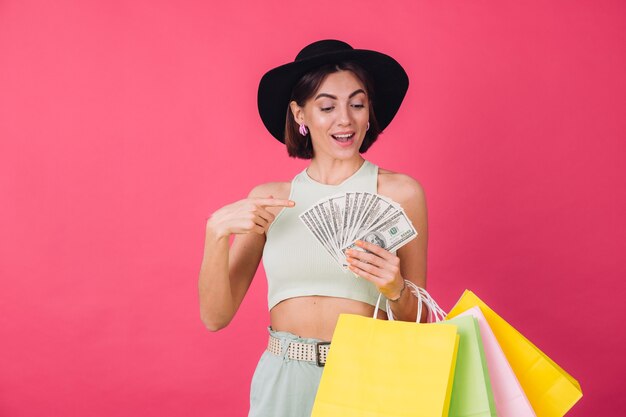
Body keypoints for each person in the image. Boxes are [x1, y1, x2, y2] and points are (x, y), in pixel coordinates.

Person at [198, 39, 428, 417]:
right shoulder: (270, 201)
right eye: (327, 106)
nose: (345, 119)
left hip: (366, 376)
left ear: (370, 112)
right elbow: (214, 317)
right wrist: (215, 235)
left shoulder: (400, 193)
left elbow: (421, 323)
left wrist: (396, 289)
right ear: (299, 114)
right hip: (283, 378)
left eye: (357, 104)